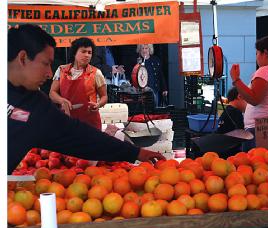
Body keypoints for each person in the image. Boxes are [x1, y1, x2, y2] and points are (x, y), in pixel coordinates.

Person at [7, 24, 164, 175]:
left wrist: (135, 152)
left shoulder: (35, 107)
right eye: (45, 63)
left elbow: (78, 135)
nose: (49, 73)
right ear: (22, 58)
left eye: (90, 52)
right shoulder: (61, 72)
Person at [49, 37, 107, 130]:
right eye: (83, 51)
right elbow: (52, 93)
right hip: (67, 119)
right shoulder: (61, 70)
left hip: (90, 122)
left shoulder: (96, 73)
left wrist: (98, 104)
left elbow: (104, 97)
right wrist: (61, 100)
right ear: (74, 53)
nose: (87, 55)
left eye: (89, 52)